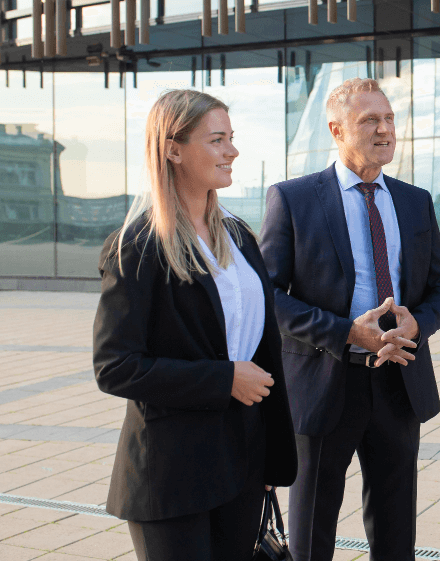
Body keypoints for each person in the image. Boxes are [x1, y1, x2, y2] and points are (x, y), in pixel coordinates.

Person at [92, 90, 297, 561]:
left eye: (232, 138)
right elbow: (115, 366)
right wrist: (224, 379)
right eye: (218, 139)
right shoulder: (137, 246)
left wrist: (270, 453)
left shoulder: (240, 236)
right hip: (170, 474)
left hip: (241, 462)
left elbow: (263, 349)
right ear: (173, 148)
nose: (233, 151)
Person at [259, 77, 440, 561]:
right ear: (336, 130)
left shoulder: (415, 200)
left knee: (395, 531)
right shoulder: (293, 199)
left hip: (398, 382)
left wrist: (417, 325)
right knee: (311, 530)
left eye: (389, 119)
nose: (386, 130)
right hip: (325, 382)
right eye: (370, 120)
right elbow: (267, 297)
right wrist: (347, 332)